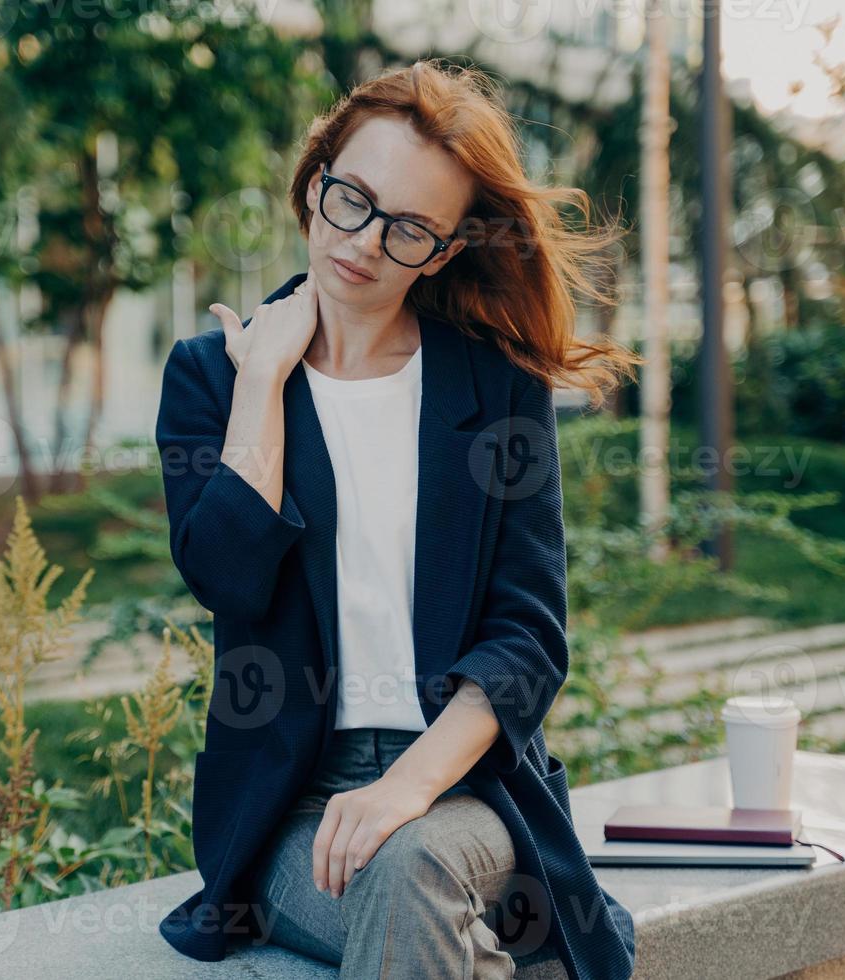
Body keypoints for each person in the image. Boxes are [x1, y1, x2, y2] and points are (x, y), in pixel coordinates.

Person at [156, 58, 643, 979]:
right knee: (420, 901)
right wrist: (264, 379)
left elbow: (528, 641)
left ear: (448, 249)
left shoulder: (497, 386)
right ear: (315, 183)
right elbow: (228, 579)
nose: (367, 243)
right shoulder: (212, 377)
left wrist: (403, 788)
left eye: (411, 228)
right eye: (353, 200)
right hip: (293, 812)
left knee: (410, 858)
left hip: (468, 789)